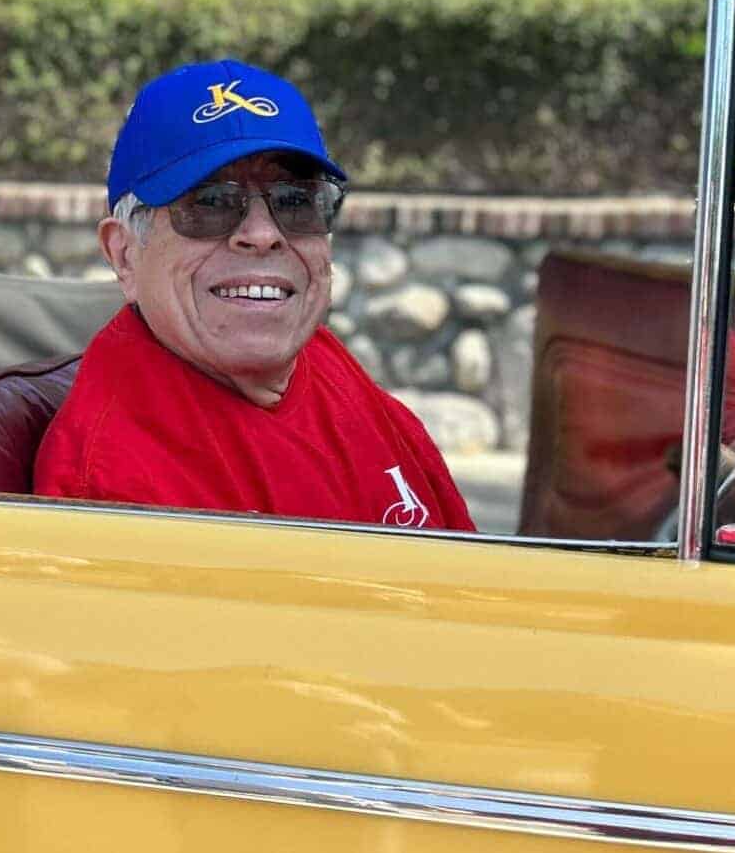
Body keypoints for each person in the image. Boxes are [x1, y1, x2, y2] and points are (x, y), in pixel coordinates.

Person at [34, 59, 475, 531]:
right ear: (124, 255)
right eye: (209, 203)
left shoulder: (323, 363)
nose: (263, 234)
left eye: (295, 201)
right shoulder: (114, 490)